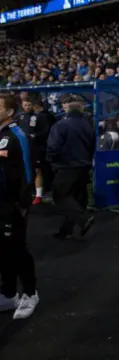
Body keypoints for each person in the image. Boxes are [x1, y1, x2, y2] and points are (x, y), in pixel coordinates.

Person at [0, 94, 40, 319]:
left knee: (16, 249)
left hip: (13, 205)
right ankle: (8, 293)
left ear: (9, 112)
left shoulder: (17, 135)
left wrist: (23, 204)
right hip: (1, 203)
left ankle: (30, 293)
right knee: (2, 250)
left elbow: (27, 170)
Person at [47, 95, 95, 241]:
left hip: (67, 166)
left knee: (60, 195)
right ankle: (66, 230)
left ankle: (83, 219)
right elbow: (92, 145)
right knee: (75, 198)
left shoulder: (61, 125)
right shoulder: (87, 125)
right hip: (83, 166)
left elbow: (53, 146)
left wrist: (52, 160)